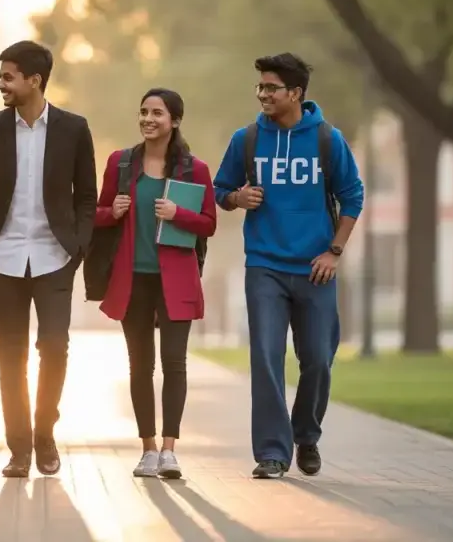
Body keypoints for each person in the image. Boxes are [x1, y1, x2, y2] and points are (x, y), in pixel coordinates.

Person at [213, 53, 364, 479]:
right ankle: (273, 453)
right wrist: (236, 198)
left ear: (295, 93)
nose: (263, 94)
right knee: (265, 356)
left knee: (317, 358)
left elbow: (353, 196)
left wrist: (333, 252)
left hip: (316, 268)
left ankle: (307, 435)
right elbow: (220, 189)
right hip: (264, 265)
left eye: (271, 88)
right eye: (260, 87)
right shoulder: (245, 139)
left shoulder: (326, 140)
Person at [0, 40, 98, 478]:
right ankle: (19, 449)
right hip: (2, 257)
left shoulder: (74, 128)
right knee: (10, 355)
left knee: (54, 347)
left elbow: (87, 196)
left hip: (55, 256)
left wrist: (77, 245)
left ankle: (45, 433)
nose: (0, 83)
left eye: (8, 76)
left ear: (33, 80)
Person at [94, 88, 217, 479]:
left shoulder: (193, 170)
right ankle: (147, 449)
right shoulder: (121, 163)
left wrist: (179, 213)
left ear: (175, 121)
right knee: (140, 365)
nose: (148, 119)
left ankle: (169, 451)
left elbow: (209, 223)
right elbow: (95, 216)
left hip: (176, 279)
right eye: (144, 112)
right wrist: (110, 211)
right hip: (133, 279)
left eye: (157, 113)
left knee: (175, 363)